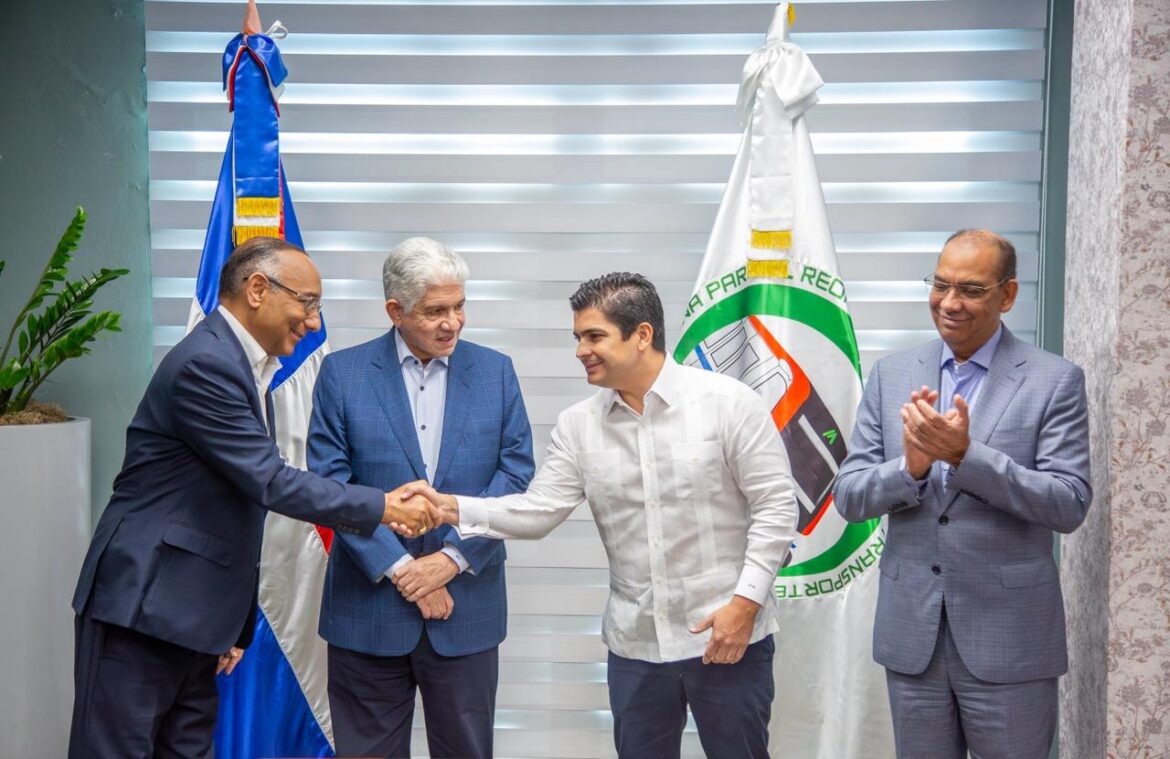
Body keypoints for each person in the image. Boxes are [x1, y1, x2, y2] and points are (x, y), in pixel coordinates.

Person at [402, 272, 798, 759]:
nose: (580, 351)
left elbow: (777, 506)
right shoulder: (578, 425)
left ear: (642, 335)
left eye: (594, 336)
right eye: (577, 337)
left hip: (726, 632)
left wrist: (745, 605)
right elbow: (539, 510)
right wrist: (448, 506)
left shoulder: (728, 404)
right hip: (635, 646)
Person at [68, 237, 436, 759]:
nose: (314, 323)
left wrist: (233, 624)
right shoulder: (206, 363)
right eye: (307, 303)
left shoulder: (242, 366)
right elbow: (269, 481)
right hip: (144, 607)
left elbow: (233, 507)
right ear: (258, 289)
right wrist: (383, 507)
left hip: (192, 616)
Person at [832, 229, 1092, 758]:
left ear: (1008, 295)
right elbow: (850, 496)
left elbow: (1068, 502)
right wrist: (909, 468)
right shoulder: (891, 375)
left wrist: (965, 457)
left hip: (1011, 641)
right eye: (940, 285)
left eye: (971, 290)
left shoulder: (1054, 380)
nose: (950, 303)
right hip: (914, 638)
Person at [307, 237, 534, 758]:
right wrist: (402, 569)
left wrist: (450, 560)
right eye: (435, 311)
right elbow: (332, 485)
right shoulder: (342, 374)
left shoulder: (496, 371)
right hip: (366, 610)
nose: (452, 323)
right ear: (395, 310)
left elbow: (516, 477)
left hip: (467, 608)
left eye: (459, 307)